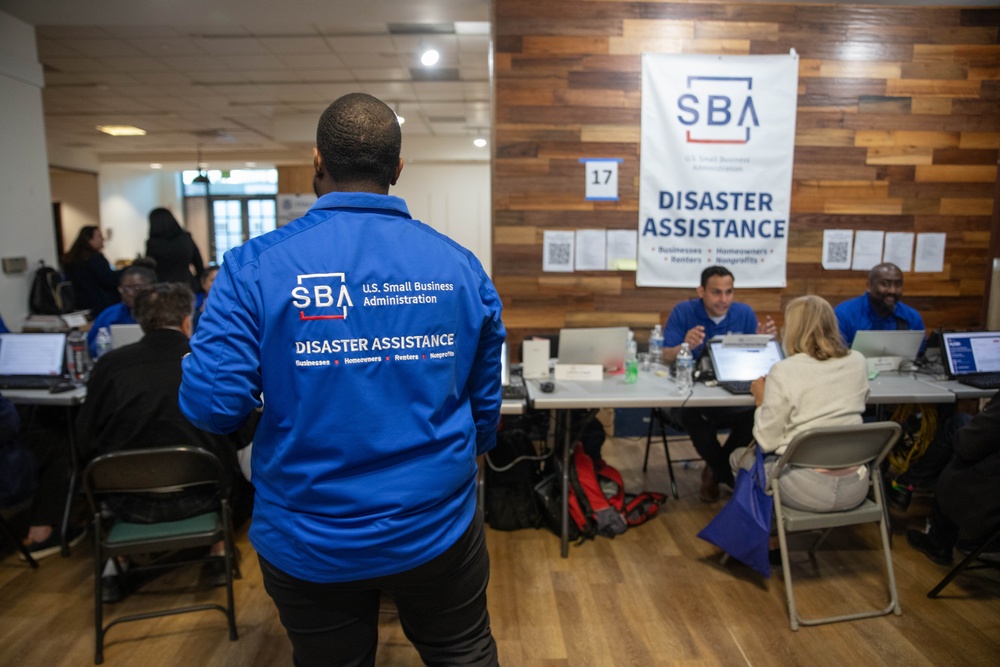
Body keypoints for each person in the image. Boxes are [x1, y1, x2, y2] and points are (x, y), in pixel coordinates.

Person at [179, 93, 504, 666]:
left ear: (316, 161)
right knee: (463, 653)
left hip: (310, 534)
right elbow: (484, 403)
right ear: (398, 170)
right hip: (436, 524)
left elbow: (212, 407)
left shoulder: (252, 268)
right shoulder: (458, 266)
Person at [77, 283, 253, 596]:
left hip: (126, 501)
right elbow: (240, 431)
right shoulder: (207, 363)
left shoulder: (109, 366)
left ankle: (116, 562)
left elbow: (86, 437)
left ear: (140, 321)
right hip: (205, 496)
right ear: (188, 320)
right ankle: (218, 551)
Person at [729, 295, 871, 512]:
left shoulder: (784, 370)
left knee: (738, 458)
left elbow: (766, 442)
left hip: (807, 489)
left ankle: (769, 534)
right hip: (857, 486)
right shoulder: (858, 361)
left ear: (793, 328)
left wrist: (761, 401)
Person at [661, 265, 776, 502]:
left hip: (732, 393)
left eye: (729, 292)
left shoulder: (743, 313)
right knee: (692, 416)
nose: (724, 299)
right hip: (692, 394)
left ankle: (715, 470)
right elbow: (665, 356)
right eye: (716, 292)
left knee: (756, 413)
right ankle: (727, 475)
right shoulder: (684, 311)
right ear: (701, 291)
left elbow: (753, 362)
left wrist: (761, 342)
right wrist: (685, 345)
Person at [907, 393, 1000, 565]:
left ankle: (938, 541)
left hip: (989, 498)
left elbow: (967, 445)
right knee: (961, 422)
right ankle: (909, 482)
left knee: (958, 436)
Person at [834, 262, 925, 347]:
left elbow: (920, 355)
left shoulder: (912, 317)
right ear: (869, 286)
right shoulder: (844, 315)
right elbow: (836, 354)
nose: (892, 291)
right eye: (885, 284)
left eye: (898, 285)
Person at [86, 261, 156, 358]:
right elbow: (91, 347)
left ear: (152, 289)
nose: (130, 293)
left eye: (137, 288)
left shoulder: (163, 313)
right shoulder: (109, 314)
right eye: (126, 289)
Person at [61, 226, 120, 318]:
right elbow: (109, 280)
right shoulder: (95, 258)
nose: (103, 239)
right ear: (89, 240)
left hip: (79, 305)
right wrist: (125, 272)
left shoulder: (70, 258)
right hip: (100, 305)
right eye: (99, 236)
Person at [145, 207, 205, 290]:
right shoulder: (186, 238)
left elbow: (149, 267)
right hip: (186, 284)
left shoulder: (153, 243)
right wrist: (200, 283)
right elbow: (198, 263)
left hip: (161, 286)